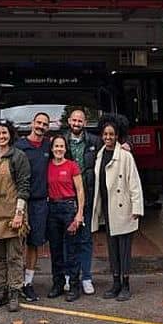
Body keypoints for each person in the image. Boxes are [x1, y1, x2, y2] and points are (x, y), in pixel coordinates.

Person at [91, 114, 144, 302]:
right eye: (105, 134)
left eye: (111, 134)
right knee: (112, 248)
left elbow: (134, 183)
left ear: (117, 135)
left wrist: (137, 207)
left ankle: (126, 284)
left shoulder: (126, 155)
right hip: (107, 206)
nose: (107, 137)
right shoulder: (99, 154)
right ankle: (115, 283)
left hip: (124, 207)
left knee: (124, 248)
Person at [0, 119, 31, 312]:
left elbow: (24, 186)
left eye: (4, 133)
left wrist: (19, 214)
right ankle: (0, 291)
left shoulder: (18, 156)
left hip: (13, 214)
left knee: (14, 257)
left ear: (10, 134)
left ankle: (14, 292)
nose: (1, 137)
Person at [64, 108, 101, 295]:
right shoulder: (60, 141)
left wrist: (126, 144)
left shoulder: (95, 141)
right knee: (68, 240)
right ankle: (70, 277)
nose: (77, 123)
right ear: (69, 121)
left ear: (85, 123)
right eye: (74, 120)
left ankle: (86, 277)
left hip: (87, 196)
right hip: (66, 198)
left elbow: (112, 147)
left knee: (85, 239)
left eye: (80, 121)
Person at [15, 112, 51, 302]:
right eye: (38, 122)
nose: (41, 126)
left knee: (34, 243)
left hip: (39, 202)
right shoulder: (19, 146)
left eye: (45, 124)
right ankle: (14, 283)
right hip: (20, 201)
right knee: (16, 242)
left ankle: (28, 283)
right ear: (32, 123)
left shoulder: (49, 145)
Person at [46, 134, 85, 302]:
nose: (59, 149)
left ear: (65, 148)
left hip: (69, 208)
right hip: (52, 209)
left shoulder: (72, 166)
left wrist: (79, 213)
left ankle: (74, 286)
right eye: (56, 146)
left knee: (72, 250)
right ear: (52, 148)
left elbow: (80, 191)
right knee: (55, 250)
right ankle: (58, 284)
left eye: (62, 146)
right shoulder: (47, 166)